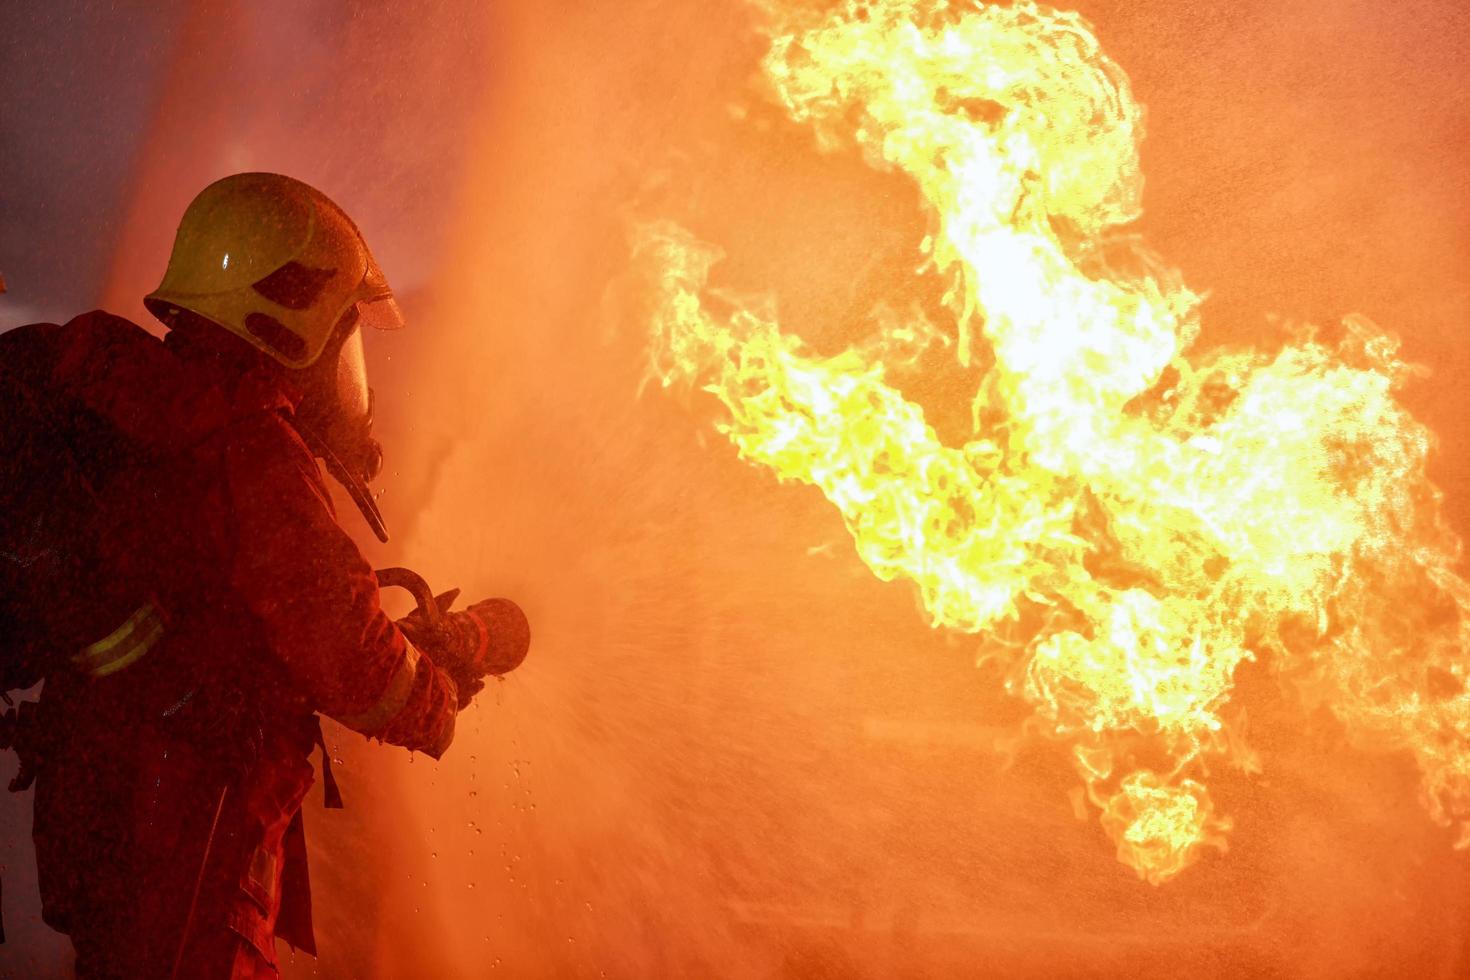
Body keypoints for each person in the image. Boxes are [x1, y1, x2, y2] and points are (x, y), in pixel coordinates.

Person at [0, 172, 529, 978]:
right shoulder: (247, 439)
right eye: (343, 332)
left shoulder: (139, 397)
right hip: (191, 819)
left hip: (97, 796)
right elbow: (348, 655)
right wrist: (436, 682)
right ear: (292, 314)